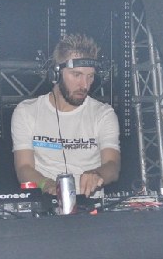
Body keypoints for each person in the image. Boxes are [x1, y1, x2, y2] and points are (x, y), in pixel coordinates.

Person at [11, 34, 120, 197]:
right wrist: (48, 185)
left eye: (90, 76)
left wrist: (97, 174)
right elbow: (23, 168)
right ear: (56, 74)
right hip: (46, 202)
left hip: (90, 206)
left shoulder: (103, 114)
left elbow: (112, 165)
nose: (84, 85)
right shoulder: (27, 112)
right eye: (77, 75)